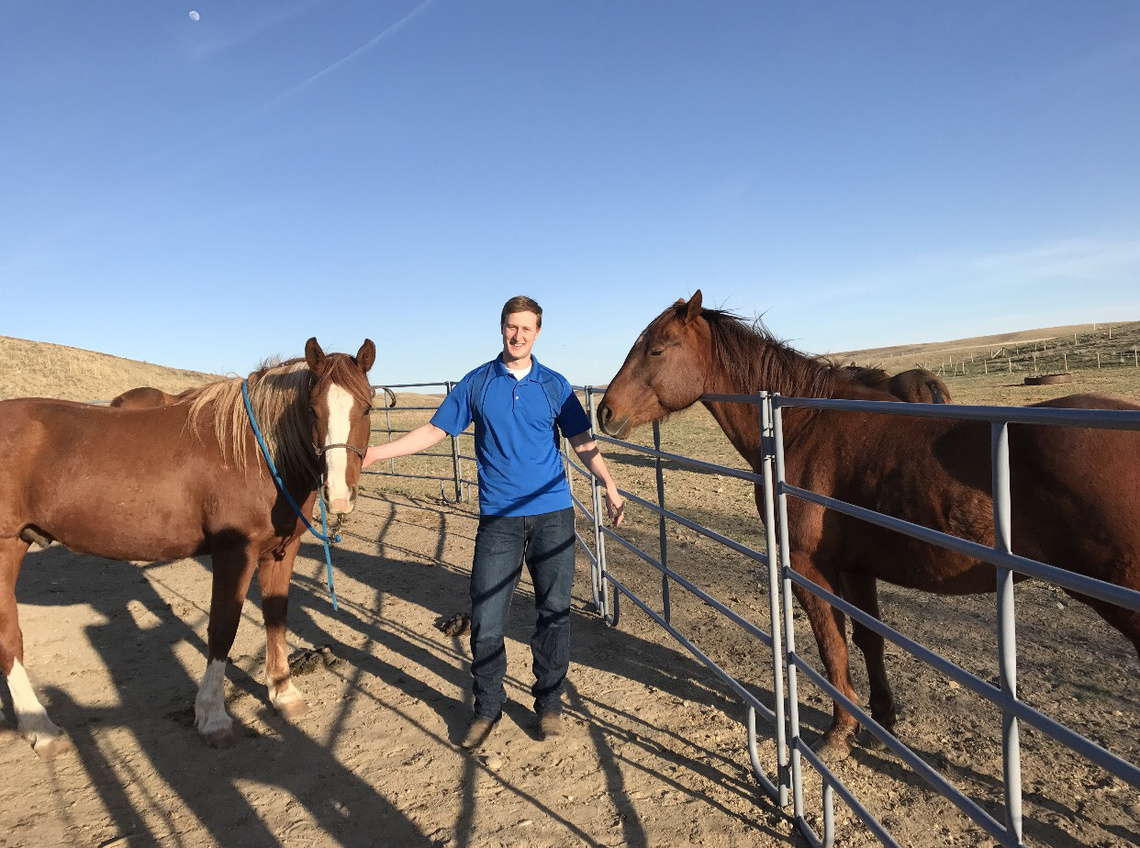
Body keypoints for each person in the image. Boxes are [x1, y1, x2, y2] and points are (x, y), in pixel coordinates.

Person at [362, 295, 624, 749]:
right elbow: (434, 431)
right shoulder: (477, 383)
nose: (517, 335)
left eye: (526, 328)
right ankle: (486, 707)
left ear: (538, 333)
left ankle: (550, 704)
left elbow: (582, 440)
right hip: (499, 520)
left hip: (553, 516)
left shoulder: (554, 385)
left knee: (554, 614)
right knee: (486, 617)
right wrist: (374, 454)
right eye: (510, 327)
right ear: (501, 328)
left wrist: (609, 483)